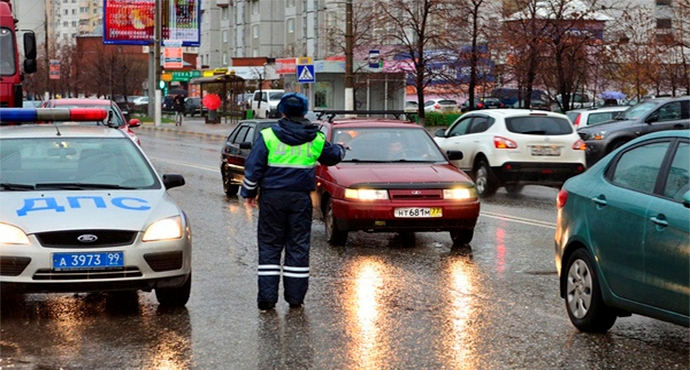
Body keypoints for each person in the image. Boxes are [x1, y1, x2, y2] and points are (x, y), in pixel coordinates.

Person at [240, 92, 346, 311]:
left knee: (270, 246)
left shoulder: (269, 136)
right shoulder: (315, 138)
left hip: (272, 198)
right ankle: (295, 299)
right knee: (297, 246)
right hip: (300, 199)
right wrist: (342, 149)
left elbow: (253, 168)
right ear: (304, 112)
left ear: (283, 111)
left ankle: (267, 300)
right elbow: (332, 156)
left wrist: (249, 193)